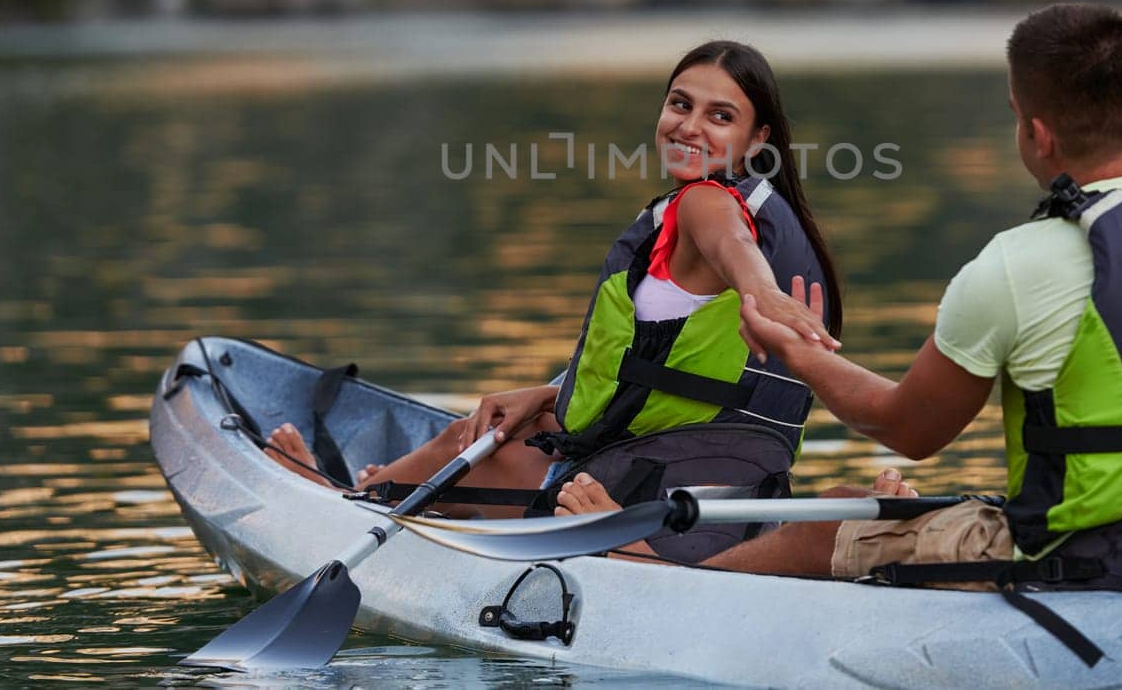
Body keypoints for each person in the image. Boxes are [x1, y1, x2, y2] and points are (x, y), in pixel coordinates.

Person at [562, 4, 1122, 592]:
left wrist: (803, 358)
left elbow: (906, 427)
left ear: (1034, 131)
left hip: (1088, 563)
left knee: (834, 529)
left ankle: (662, 574)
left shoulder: (1020, 261)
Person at [263, 40, 843, 539]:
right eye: (679, 104)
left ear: (757, 136)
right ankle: (385, 484)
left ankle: (349, 501)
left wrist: (759, 290)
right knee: (521, 423)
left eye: (719, 116)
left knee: (473, 438)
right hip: (726, 496)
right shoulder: (767, 214)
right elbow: (652, 362)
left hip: (642, 494)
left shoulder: (706, 203)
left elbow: (731, 247)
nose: (688, 126)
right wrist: (548, 393)